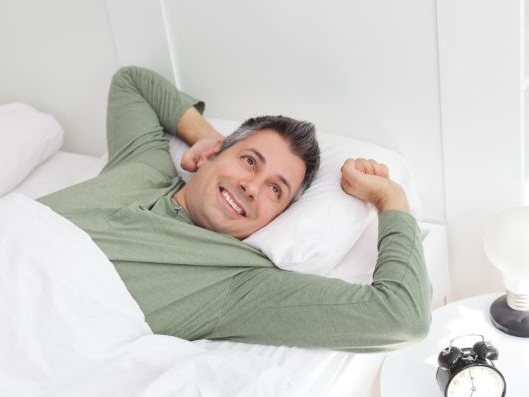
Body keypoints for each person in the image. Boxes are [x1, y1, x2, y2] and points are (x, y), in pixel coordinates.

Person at [39, 66, 431, 351]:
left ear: (276, 217)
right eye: (248, 161)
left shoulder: (239, 283)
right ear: (215, 154)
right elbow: (133, 83)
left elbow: (403, 317)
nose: (250, 186)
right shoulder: (144, 165)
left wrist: (390, 200)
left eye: (275, 190)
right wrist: (207, 138)